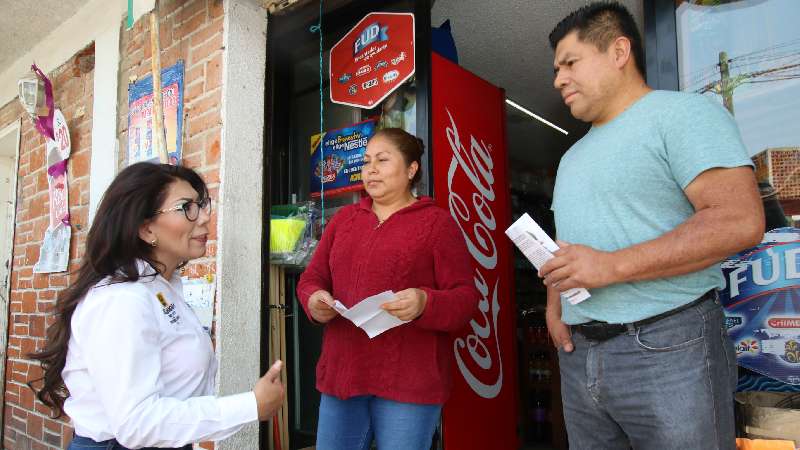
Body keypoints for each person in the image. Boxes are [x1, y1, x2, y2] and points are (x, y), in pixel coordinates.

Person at [539, 3, 764, 449]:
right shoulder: (570, 158)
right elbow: (572, 247)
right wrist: (554, 306)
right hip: (579, 354)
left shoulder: (683, 114)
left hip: (669, 344)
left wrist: (612, 267)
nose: (558, 79)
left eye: (570, 63)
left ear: (619, 51)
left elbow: (739, 221)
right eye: (556, 69)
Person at [29, 163, 285, 449]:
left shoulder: (163, 287)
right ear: (146, 228)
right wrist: (250, 406)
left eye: (201, 205)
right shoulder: (122, 299)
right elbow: (137, 423)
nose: (203, 218)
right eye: (187, 207)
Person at [297, 128, 479, 450]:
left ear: (411, 170)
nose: (371, 169)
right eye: (366, 162)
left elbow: (465, 298)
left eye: (382, 160)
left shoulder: (437, 224)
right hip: (344, 375)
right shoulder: (344, 220)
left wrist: (425, 302)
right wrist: (315, 300)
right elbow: (312, 279)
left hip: (409, 381)